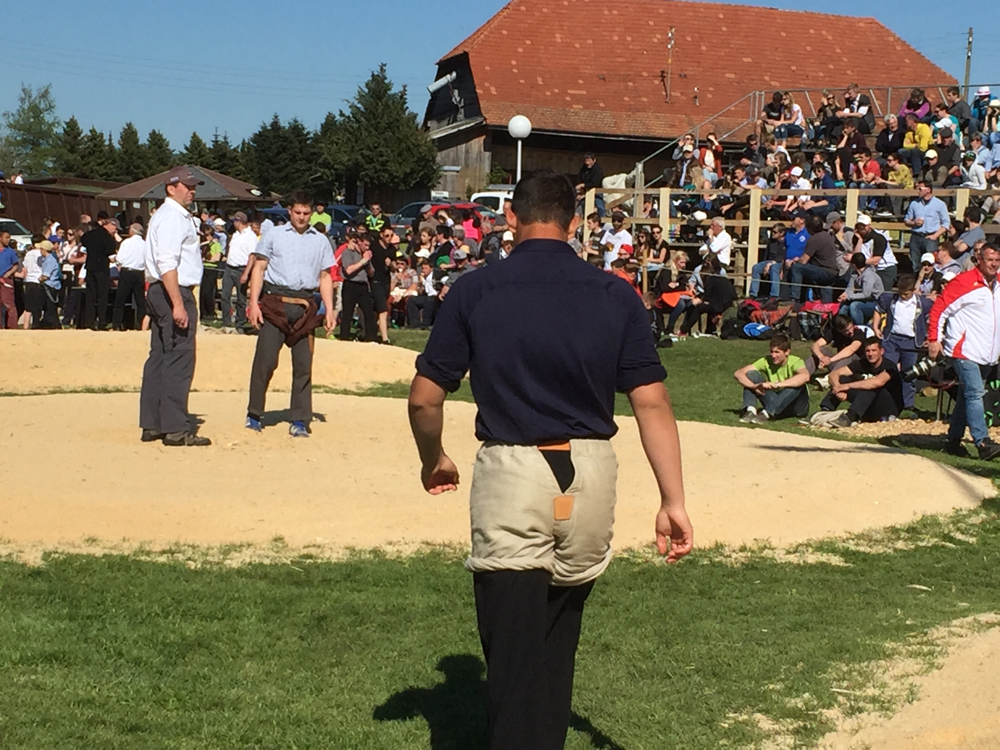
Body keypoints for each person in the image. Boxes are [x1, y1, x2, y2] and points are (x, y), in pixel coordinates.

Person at [407, 169, 691, 750]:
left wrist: (433, 457)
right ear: (575, 223)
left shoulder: (476, 289)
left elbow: (425, 397)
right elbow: (652, 402)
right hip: (589, 472)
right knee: (557, 644)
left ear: (510, 217)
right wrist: (672, 500)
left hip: (514, 469)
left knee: (511, 659)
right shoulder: (615, 293)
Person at [245, 192, 336, 437]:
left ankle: (299, 419)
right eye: (298, 212)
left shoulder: (320, 240)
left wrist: (330, 309)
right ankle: (254, 413)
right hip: (275, 302)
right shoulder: (274, 235)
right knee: (265, 361)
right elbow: (259, 268)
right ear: (289, 211)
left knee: (304, 366)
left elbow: (326, 276)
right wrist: (254, 303)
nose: (302, 217)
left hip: (306, 304)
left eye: (306, 213)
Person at [139, 166, 211, 447]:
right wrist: (178, 304)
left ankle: (153, 423)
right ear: (171, 188)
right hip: (173, 290)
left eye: (193, 186)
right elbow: (167, 262)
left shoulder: (165, 216)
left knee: (159, 355)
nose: (192, 190)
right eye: (186, 185)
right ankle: (175, 428)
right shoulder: (173, 217)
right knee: (179, 358)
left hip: (160, 290)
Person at [929, 243, 1000, 460]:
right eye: (990, 260)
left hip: (988, 354)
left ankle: (953, 440)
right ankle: (982, 442)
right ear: (979, 259)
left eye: (997, 260)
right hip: (963, 350)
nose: (994, 264)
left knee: (965, 396)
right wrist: (934, 339)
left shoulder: (998, 284)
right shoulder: (964, 282)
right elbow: (939, 308)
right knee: (975, 393)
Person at [873, 274, 932, 410]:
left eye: (906, 294)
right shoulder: (890, 299)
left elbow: (931, 319)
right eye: (901, 293)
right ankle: (886, 402)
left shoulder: (923, 303)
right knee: (887, 371)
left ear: (913, 290)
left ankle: (908, 405)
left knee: (909, 374)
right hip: (892, 340)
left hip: (911, 342)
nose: (903, 296)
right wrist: (876, 327)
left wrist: (929, 337)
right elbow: (878, 310)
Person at [820, 338, 904, 426]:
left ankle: (850, 416)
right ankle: (824, 411)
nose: (870, 354)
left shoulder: (889, 366)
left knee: (871, 386)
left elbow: (878, 382)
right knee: (842, 379)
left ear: (881, 351)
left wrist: (846, 387)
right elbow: (834, 373)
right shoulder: (862, 363)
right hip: (869, 403)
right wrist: (839, 388)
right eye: (868, 351)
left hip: (888, 407)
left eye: (874, 350)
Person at [735, 333, 810, 424]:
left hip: (796, 406)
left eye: (777, 352)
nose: (773, 355)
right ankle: (750, 411)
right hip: (776, 399)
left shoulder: (795, 361)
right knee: (751, 374)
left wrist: (777, 385)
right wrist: (753, 386)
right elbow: (738, 373)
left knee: (797, 384)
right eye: (771, 352)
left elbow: (805, 376)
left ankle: (766, 413)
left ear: (787, 352)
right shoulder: (767, 360)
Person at [788, 214, 840, 303]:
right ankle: (826, 307)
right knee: (824, 293)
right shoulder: (826, 235)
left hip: (824, 272)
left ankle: (795, 298)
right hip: (833, 272)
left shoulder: (814, 239)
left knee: (797, 267)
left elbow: (804, 260)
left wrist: (795, 260)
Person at [338, 228, 377, 341]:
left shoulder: (366, 254)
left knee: (368, 312)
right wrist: (363, 261)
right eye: (365, 245)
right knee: (347, 313)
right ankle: (344, 337)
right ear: (358, 242)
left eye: (368, 245)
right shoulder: (348, 252)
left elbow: (371, 273)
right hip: (350, 284)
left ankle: (371, 337)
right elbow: (349, 270)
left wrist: (368, 262)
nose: (367, 247)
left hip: (363, 285)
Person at [81, 216, 119, 330]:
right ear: (110, 225)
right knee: (102, 296)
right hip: (102, 268)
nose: (115, 231)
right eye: (115, 229)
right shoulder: (107, 238)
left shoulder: (90, 234)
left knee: (90, 296)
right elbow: (111, 254)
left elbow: (83, 241)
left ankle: (90, 321)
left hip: (90, 267)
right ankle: (102, 321)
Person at [904, 181, 949, 272]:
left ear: (928, 190)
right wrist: (914, 223)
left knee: (931, 263)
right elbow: (906, 220)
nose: (918, 191)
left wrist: (935, 236)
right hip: (916, 237)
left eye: (920, 189)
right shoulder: (914, 204)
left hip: (930, 238)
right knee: (915, 264)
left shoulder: (940, 204)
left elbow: (946, 223)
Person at [221, 211, 254, 329]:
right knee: (225, 295)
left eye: (234, 221)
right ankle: (226, 322)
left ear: (239, 222)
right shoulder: (235, 235)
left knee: (241, 298)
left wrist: (246, 273)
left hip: (241, 268)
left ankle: (240, 323)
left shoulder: (250, 236)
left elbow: (252, 256)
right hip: (230, 267)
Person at [112, 223, 146, 331]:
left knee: (120, 300)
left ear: (132, 231)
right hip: (139, 273)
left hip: (127, 272)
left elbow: (120, 259)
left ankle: (117, 324)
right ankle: (141, 325)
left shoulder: (126, 243)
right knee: (140, 301)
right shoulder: (145, 244)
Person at [36, 240, 62, 329]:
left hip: (50, 287)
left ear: (44, 250)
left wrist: (40, 279)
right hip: (48, 286)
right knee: (47, 307)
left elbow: (46, 276)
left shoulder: (50, 260)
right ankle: (46, 324)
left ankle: (56, 325)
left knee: (51, 308)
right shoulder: (47, 259)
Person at [0, 230, 17, 329]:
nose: (8, 240)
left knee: (9, 304)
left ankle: (12, 327)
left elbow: (15, 265)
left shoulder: (10, 251)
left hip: (6, 280)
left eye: (9, 238)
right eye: (6, 237)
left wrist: (9, 273)